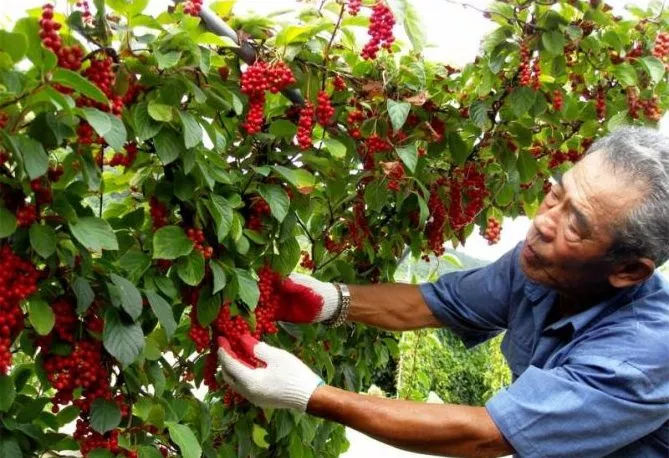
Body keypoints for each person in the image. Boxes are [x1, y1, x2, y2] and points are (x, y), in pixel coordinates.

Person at [217, 126, 669, 458]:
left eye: (577, 224)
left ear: (628, 270)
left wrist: (309, 394)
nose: (544, 222)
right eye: (556, 194)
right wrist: (331, 301)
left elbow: (488, 435)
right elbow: (438, 303)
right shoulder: (541, 265)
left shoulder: (644, 355)